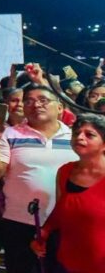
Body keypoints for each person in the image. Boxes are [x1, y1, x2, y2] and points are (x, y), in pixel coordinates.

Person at [0, 85, 78, 272]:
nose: (35, 104)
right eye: (29, 101)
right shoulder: (10, 134)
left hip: (67, 223)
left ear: (59, 107)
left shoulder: (75, 137)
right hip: (20, 222)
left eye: (43, 100)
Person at [34, 113, 105, 272]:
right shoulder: (65, 171)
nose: (80, 137)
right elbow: (60, 211)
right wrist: (44, 232)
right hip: (67, 261)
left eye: (89, 135)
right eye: (76, 133)